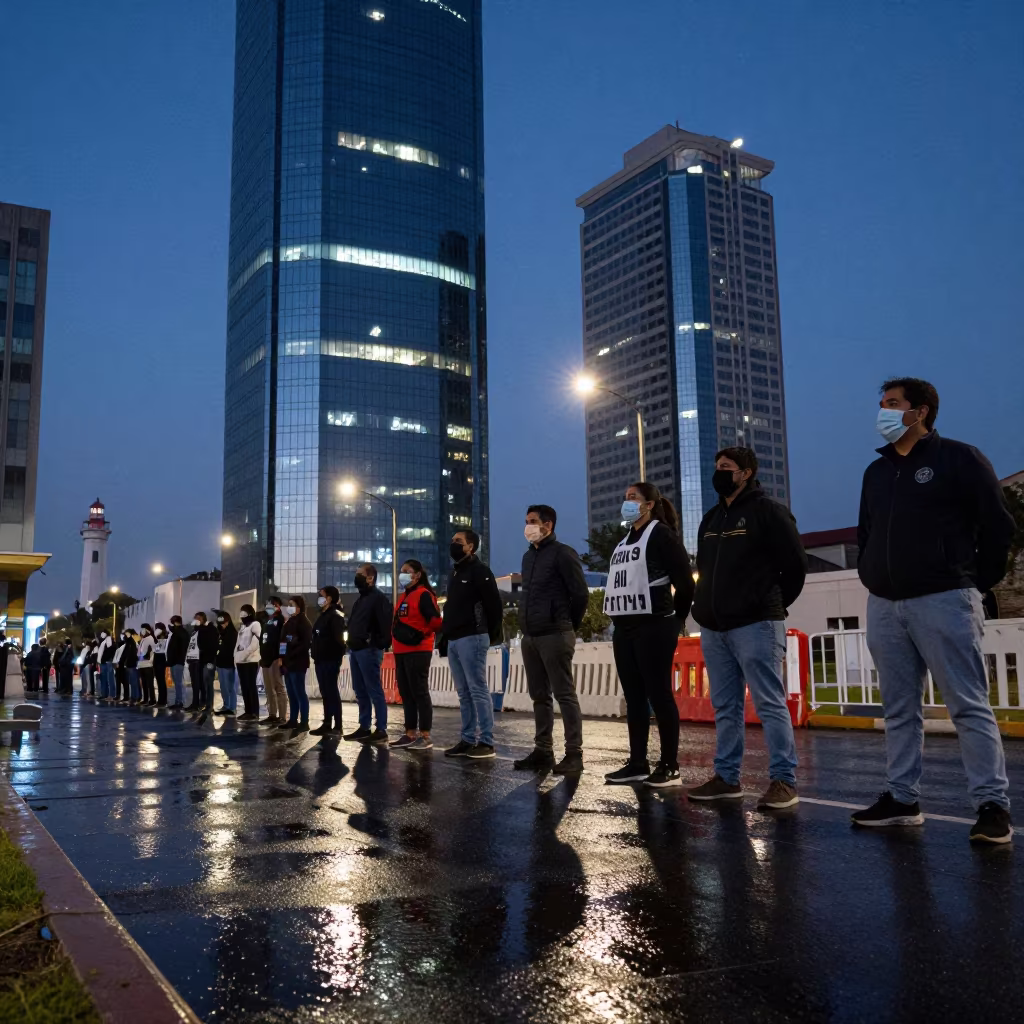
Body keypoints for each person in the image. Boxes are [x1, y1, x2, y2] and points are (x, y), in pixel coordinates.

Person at [851, 377, 1016, 843]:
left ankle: (991, 805)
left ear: (919, 412)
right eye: (881, 403)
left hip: (944, 599)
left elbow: (998, 527)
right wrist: (871, 576)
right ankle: (902, 799)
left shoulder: (959, 458)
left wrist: (970, 582)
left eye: (892, 404)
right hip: (885, 604)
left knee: (967, 705)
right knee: (899, 709)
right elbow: (866, 534)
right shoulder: (876, 472)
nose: (882, 411)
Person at [685, 449, 807, 809]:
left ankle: (784, 781)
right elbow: (705, 569)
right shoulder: (711, 518)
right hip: (714, 627)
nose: (718, 473)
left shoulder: (768, 511)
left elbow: (795, 566)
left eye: (726, 468)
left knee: (769, 703)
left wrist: (768, 603)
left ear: (746, 473)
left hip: (756, 624)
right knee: (726, 706)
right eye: (716, 466)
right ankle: (727, 778)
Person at [602, 482, 694, 788]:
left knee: (659, 695)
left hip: (655, 624)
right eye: (626, 497)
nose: (627, 502)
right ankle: (637, 763)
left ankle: (669, 765)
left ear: (650, 504)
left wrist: (676, 620)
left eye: (634, 498)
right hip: (625, 628)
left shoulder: (662, 535)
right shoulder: (625, 540)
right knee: (635, 698)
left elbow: (685, 583)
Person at [513, 505, 589, 774]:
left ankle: (574, 753)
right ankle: (543, 751)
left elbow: (580, 594)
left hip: (555, 633)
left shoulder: (562, 553)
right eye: (526, 521)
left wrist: (568, 625)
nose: (528, 526)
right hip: (531, 635)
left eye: (533, 521)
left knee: (564, 694)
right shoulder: (528, 557)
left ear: (549, 525)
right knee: (539, 696)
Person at [442, 530, 503, 759]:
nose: (453, 544)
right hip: (455, 639)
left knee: (477, 689)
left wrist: (490, 634)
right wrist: (445, 637)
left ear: (471, 547)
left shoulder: (480, 571)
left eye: (458, 541)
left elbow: (493, 606)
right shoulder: (455, 573)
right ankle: (467, 739)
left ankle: (486, 741)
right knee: (463, 692)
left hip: (473, 636)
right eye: (452, 541)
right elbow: (451, 608)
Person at [390, 560, 443, 751]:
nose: (402, 574)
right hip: (401, 650)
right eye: (401, 571)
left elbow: (436, 621)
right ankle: (410, 733)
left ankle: (425, 735)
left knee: (419, 691)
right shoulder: (404, 596)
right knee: (406, 692)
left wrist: (422, 632)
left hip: (418, 650)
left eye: (407, 571)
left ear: (417, 575)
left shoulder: (423, 595)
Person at [344, 563, 393, 744]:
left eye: (359, 574)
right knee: (360, 690)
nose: (356, 577)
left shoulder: (378, 598)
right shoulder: (361, 599)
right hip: (356, 650)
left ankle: (381, 729)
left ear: (370, 577)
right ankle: (364, 727)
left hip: (368, 650)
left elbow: (385, 625)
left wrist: (375, 643)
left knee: (374, 690)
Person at [310, 586, 347, 736]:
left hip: (330, 660)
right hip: (320, 659)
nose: (319, 598)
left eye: (322, 595)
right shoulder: (322, 615)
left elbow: (341, 640)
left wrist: (336, 657)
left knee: (332, 691)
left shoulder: (336, 615)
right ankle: (327, 723)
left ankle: (337, 726)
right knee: (325, 692)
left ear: (329, 598)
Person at [278, 595, 312, 731]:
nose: (289, 607)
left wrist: (291, 655)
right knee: (291, 693)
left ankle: (304, 722)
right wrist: (281, 657)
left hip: (298, 663)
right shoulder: (289, 622)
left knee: (299, 692)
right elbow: (282, 641)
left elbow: (305, 644)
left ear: (299, 607)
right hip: (287, 663)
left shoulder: (304, 623)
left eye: (292, 605)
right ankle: (293, 720)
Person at [259, 597, 287, 725]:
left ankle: (282, 717)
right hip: (265, 659)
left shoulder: (281, 621)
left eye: (272, 604)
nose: (269, 606)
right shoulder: (266, 621)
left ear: (278, 606)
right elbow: (262, 639)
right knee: (269, 689)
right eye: (268, 604)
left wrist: (281, 656)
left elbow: (283, 640)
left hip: (276, 658)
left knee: (278, 688)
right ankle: (272, 715)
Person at [233, 604, 262, 721]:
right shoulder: (243, 627)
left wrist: (244, 655)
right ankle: (248, 711)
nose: (242, 614)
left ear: (250, 613)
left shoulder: (255, 624)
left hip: (251, 660)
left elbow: (255, 644)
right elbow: (238, 643)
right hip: (241, 661)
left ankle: (254, 712)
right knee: (244, 687)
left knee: (251, 686)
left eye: (244, 612)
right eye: (241, 611)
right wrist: (236, 656)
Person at [186, 612, 218, 713]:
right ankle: (200, 702)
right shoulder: (195, 631)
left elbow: (210, 643)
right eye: (195, 618)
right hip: (199, 660)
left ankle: (209, 706)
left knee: (208, 683)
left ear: (204, 619)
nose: (196, 620)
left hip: (208, 660)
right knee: (200, 684)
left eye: (199, 618)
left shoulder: (210, 628)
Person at [214, 611, 238, 716]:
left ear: (228, 622)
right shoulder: (221, 633)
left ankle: (232, 707)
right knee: (223, 686)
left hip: (229, 664)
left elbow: (232, 649)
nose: (222, 625)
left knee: (230, 687)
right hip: (220, 663)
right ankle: (226, 705)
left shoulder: (232, 633)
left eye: (223, 623)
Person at [166, 615, 189, 709]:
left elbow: (179, 648)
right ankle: (178, 701)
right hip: (173, 661)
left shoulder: (181, 633)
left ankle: (180, 701)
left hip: (178, 661)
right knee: (176, 682)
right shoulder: (176, 633)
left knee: (179, 682)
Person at [138, 624, 156, 705]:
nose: (142, 630)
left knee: (149, 684)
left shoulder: (150, 638)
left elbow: (153, 651)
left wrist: (151, 661)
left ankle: (152, 700)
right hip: (141, 664)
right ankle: (145, 699)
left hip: (148, 665)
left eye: (143, 629)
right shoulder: (143, 639)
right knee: (144, 683)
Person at [152, 622, 169, 707]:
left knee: (161, 681)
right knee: (159, 681)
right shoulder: (156, 638)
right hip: (156, 659)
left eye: (157, 628)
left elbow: (163, 649)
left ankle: (163, 700)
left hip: (161, 660)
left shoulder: (166, 636)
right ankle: (160, 700)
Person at [122, 630, 140, 704]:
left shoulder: (133, 642)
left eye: (126, 634)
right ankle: (134, 697)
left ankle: (135, 697)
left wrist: (130, 638)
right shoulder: (128, 643)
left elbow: (133, 652)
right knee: (132, 682)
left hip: (132, 664)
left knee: (134, 682)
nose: (124, 636)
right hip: (129, 664)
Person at [97, 631, 115, 701]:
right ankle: (104, 694)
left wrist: (107, 658)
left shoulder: (108, 639)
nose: (102, 634)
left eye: (103, 632)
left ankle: (111, 695)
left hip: (107, 662)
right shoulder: (103, 641)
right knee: (104, 678)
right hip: (103, 662)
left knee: (110, 678)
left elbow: (110, 649)